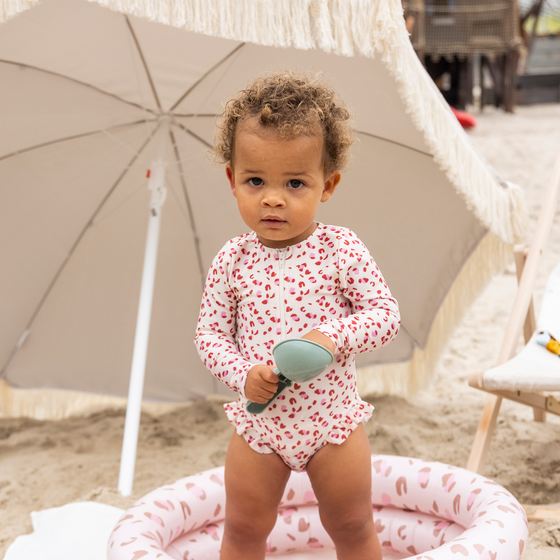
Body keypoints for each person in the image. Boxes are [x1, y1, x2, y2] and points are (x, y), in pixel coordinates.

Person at [195, 71, 401, 560]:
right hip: (261, 425)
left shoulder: (339, 248)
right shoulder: (233, 258)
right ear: (232, 180)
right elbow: (209, 335)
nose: (273, 197)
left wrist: (332, 336)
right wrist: (243, 373)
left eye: (294, 182)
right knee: (243, 528)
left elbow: (385, 315)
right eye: (255, 181)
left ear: (326, 185)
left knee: (352, 525)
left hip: (333, 421)